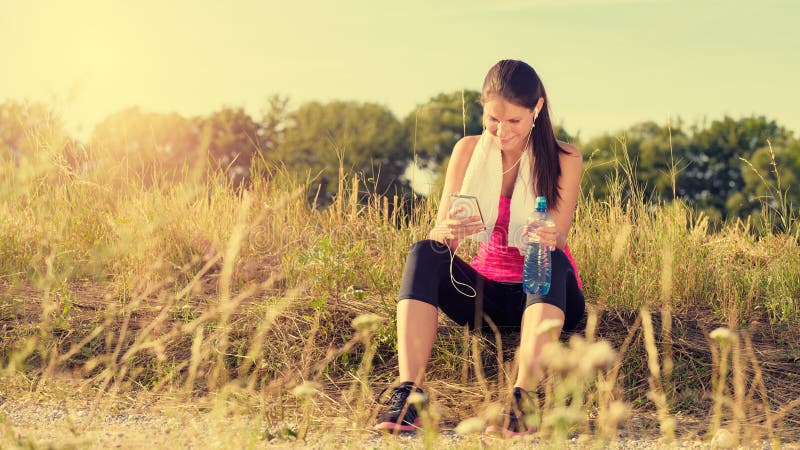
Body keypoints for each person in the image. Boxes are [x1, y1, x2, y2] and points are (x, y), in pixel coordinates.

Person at [374, 59, 586, 436]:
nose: (501, 132)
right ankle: (410, 395)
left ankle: (524, 401)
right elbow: (443, 235)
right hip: (485, 292)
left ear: (537, 109)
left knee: (550, 255)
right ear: (482, 109)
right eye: (492, 120)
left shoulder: (565, 158)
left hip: (544, 293)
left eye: (513, 122)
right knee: (425, 251)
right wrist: (450, 230)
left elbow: (560, 235)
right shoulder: (468, 151)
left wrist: (545, 233)